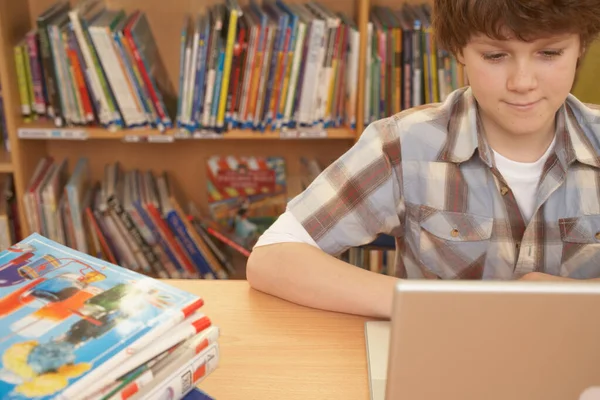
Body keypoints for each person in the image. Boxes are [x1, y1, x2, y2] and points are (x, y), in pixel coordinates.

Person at [246, 0, 600, 319]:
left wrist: (576, 297)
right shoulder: (404, 144)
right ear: (460, 51)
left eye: (550, 53)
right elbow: (272, 256)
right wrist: (432, 304)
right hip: (443, 362)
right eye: (495, 56)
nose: (523, 82)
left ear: (580, 46)